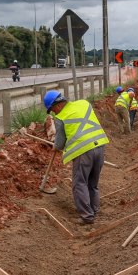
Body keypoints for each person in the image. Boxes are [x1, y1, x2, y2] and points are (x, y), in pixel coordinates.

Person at [42, 90, 108, 225]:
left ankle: (87, 217)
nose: (54, 113)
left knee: (79, 184)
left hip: (83, 152)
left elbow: (59, 144)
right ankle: (93, 211)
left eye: (52, 110)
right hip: (100, 146)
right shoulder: (84, 104)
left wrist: (56, 146)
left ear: (58, 105)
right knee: (92, 183)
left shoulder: (61, 118)